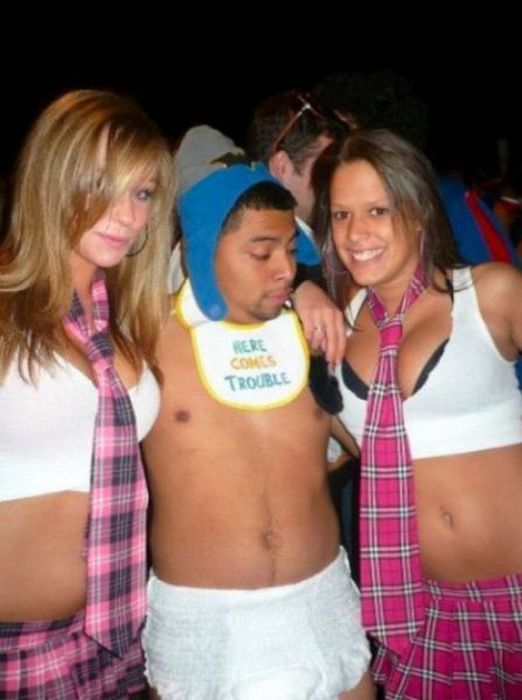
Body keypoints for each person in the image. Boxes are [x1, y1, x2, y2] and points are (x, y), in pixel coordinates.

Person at [142, 125, 373, 699]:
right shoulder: (145, 340)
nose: (284, 270)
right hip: (205, 621)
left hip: (322, 598)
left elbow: (370, 445)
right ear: (200, 247)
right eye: (262, 252)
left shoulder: (315, 334)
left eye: (291, 251)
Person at [325, 128, 522, 698]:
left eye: (377, 210)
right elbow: (362, 449)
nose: (355, 233)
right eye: (340, 215)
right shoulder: (332, 335)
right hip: (421, 611)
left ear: (417, 212)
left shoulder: (490, 294)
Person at [0, 89, 175, 697]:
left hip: (116, 642)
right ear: (53, 176)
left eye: (142, 193)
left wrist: (307, 286)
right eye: (102, 185)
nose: (127, 214)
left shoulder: (125, 318)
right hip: (15, 648)